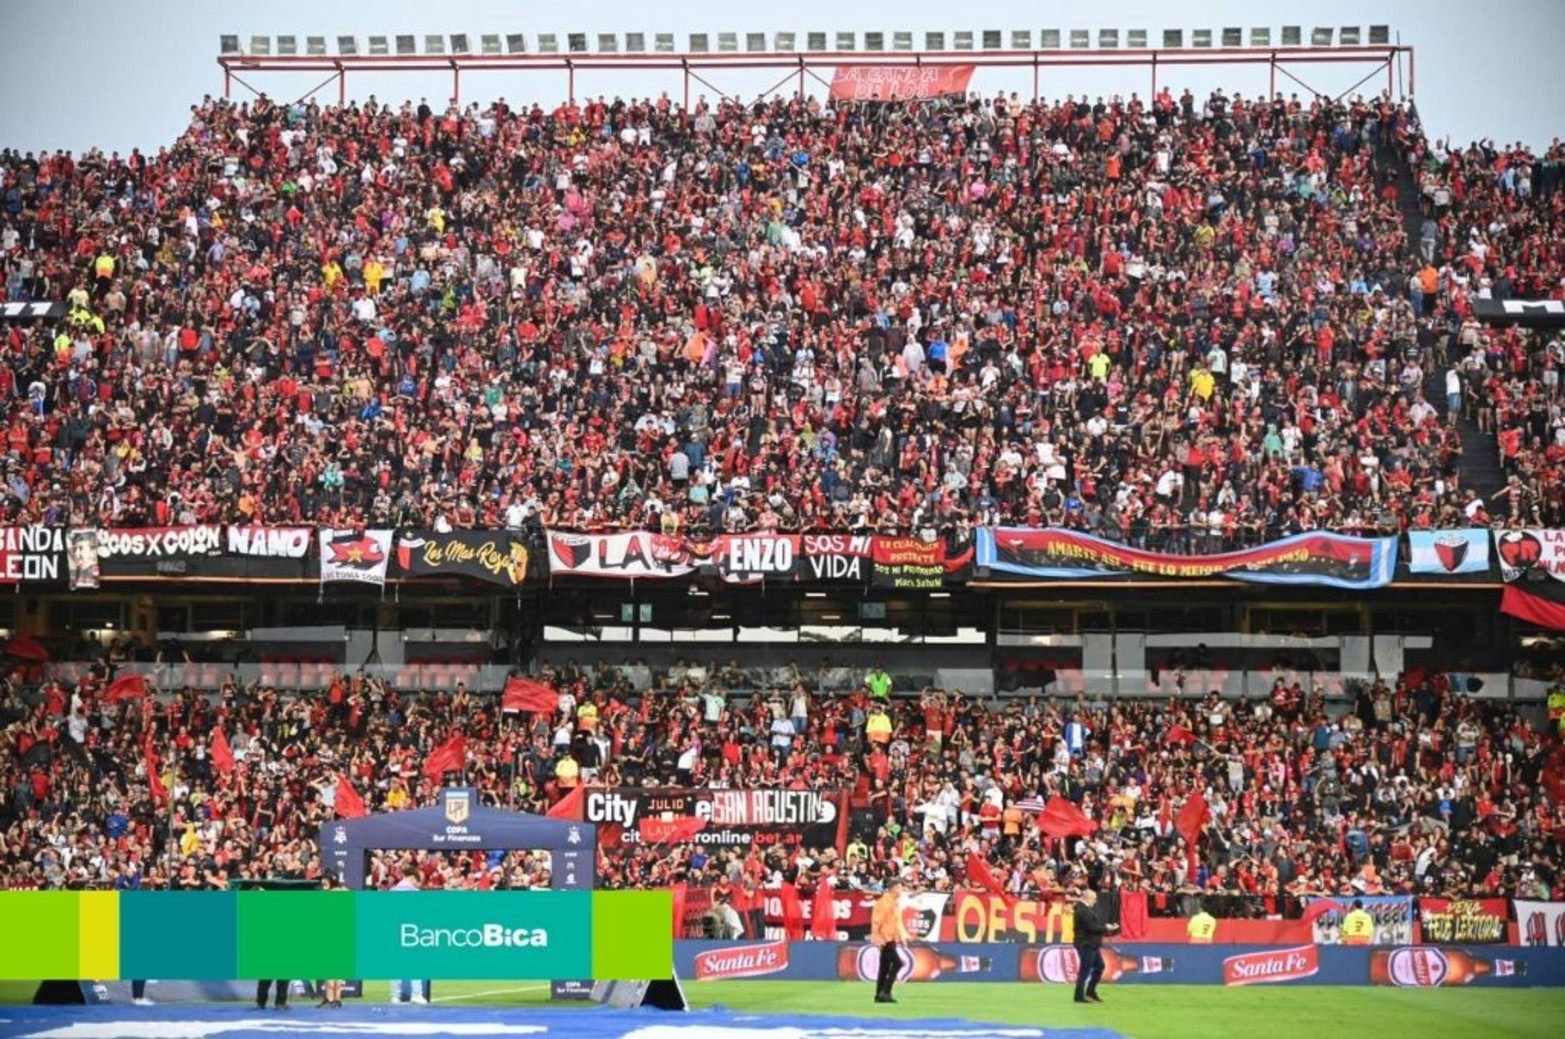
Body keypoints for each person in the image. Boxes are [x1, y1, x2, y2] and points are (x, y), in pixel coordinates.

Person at [870, 875, 910, 1004]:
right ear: (893, 889)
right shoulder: (884, 903)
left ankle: (879, 994)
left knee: (884, 967)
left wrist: (901, 937)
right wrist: (876, 937)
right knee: (897, 963)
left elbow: (895, 923)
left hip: (890, 937)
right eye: (899, 887)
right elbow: (876, 922)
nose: (901, 890)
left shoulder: (893, 903)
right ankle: (886, 992)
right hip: (885, 938)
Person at [1072, 889, 1115, 1004]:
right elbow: (1091, 928)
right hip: (1087, 944)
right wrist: (1106, 928)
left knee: (1099, 966)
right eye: (1094, 898)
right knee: (1085, 970)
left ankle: (1090, 991)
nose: (1095, 901)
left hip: (1091, 944)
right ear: (1088, 898)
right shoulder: (1083, 910)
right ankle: (1079, 995)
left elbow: (1092, 926)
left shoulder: (1083, 909)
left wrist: (1104, 927)